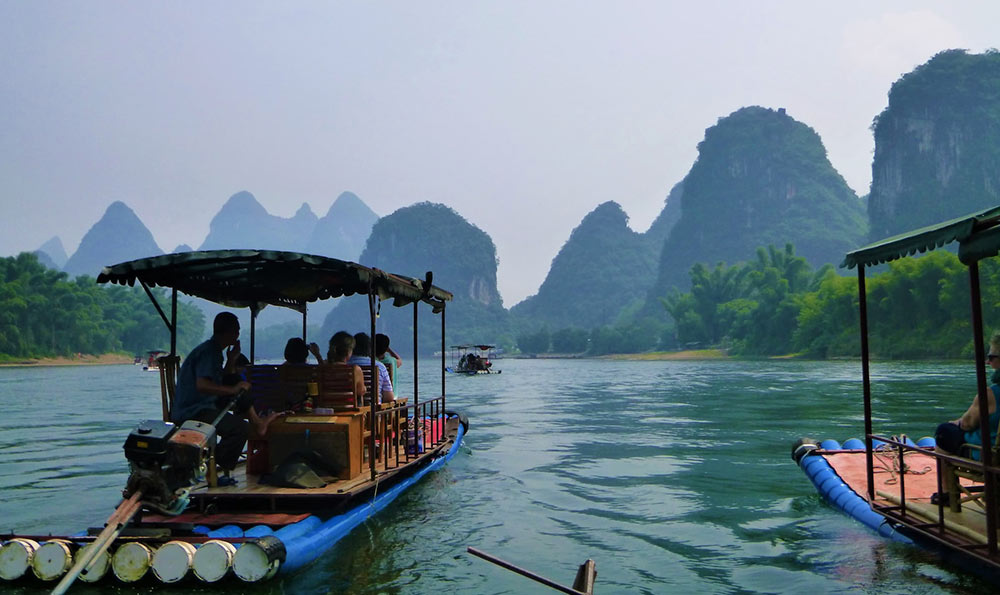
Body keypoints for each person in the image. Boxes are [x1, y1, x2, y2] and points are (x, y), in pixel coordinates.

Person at [171, 312, 276, 486]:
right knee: (240, 428)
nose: (238, 334)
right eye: (236, 330)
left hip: (206, 403)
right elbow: (202, 385)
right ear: (228, 332)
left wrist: (232, 360)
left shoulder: (214, 350)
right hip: (194, 409)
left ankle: (257, 423)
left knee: (239, 383)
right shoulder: (209, 352)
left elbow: (220, 379)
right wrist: (234, 389)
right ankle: (204, 465)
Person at [933, 333, 1000, 504]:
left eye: (991, 357)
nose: (988, 362)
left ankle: (948, 495)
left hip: (989, 455)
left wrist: (956, 423)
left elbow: (968, 424)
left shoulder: (990, 394)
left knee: (944, 433)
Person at [348, 332, 395, 403]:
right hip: (374, 411)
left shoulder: (345, 365)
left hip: (348, 408)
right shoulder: (380, 367)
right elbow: (389, 397)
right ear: (370, 348)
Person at [326, 331, 366, 398]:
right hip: (348, 407)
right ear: (348, 352)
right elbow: (360, 391)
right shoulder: (355, 369)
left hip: (326, 406)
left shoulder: (322, 369)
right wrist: (364, 388)